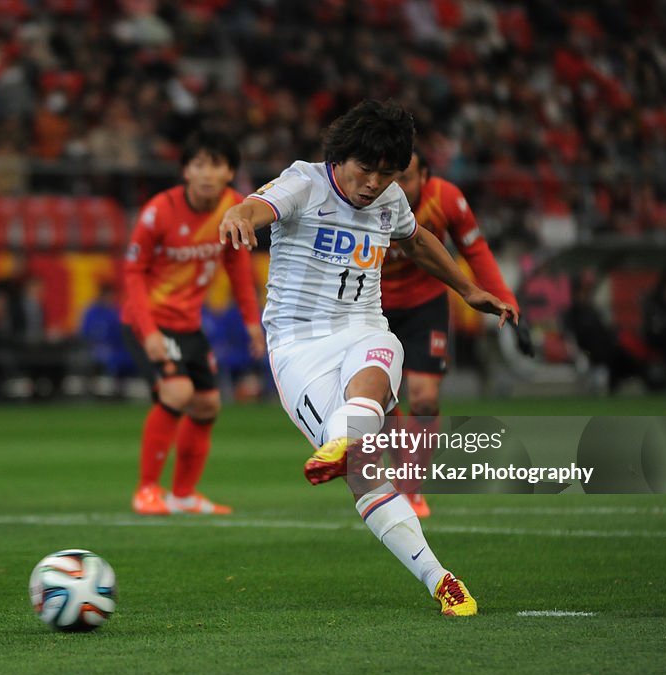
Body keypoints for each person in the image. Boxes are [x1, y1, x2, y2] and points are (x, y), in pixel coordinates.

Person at [218, 99, 516, 617]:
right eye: (365, 169)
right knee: (364, 474)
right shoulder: (304, 182)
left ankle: (442, 579)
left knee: (381, 355)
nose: (374, 183)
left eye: (387, 173)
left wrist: (468, 290)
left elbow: (417, 241)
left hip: (362, 328)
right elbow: (256, 206)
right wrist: (237, 215)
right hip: (298, 346)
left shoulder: (392, 199)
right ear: (340, 157)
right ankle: (427, 561)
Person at [122, 130, 264, 515]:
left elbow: (237, 267)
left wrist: (253, 322)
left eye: (215, 164)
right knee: (177, 391)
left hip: (188, 324)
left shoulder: (234, 209)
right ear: (185, 170)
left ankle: (183, 495)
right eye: (198, 163)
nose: (206, 173)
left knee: (207, 404)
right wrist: (148, 332)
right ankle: (147, 490)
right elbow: (133, 272)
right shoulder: (158, 212)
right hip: (148, 319)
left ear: (230, 171)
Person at [382, 145, 519, 517]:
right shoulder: (370, 197)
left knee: (424, 399)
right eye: (391, 175)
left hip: (425, 306)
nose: (396, 184)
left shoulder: (445, 199)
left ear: (425, 177)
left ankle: (409, 489)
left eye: (406, 177)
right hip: (373, 310)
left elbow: (474, 250)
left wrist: (503, 297)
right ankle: (403, 476)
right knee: (382, 400)